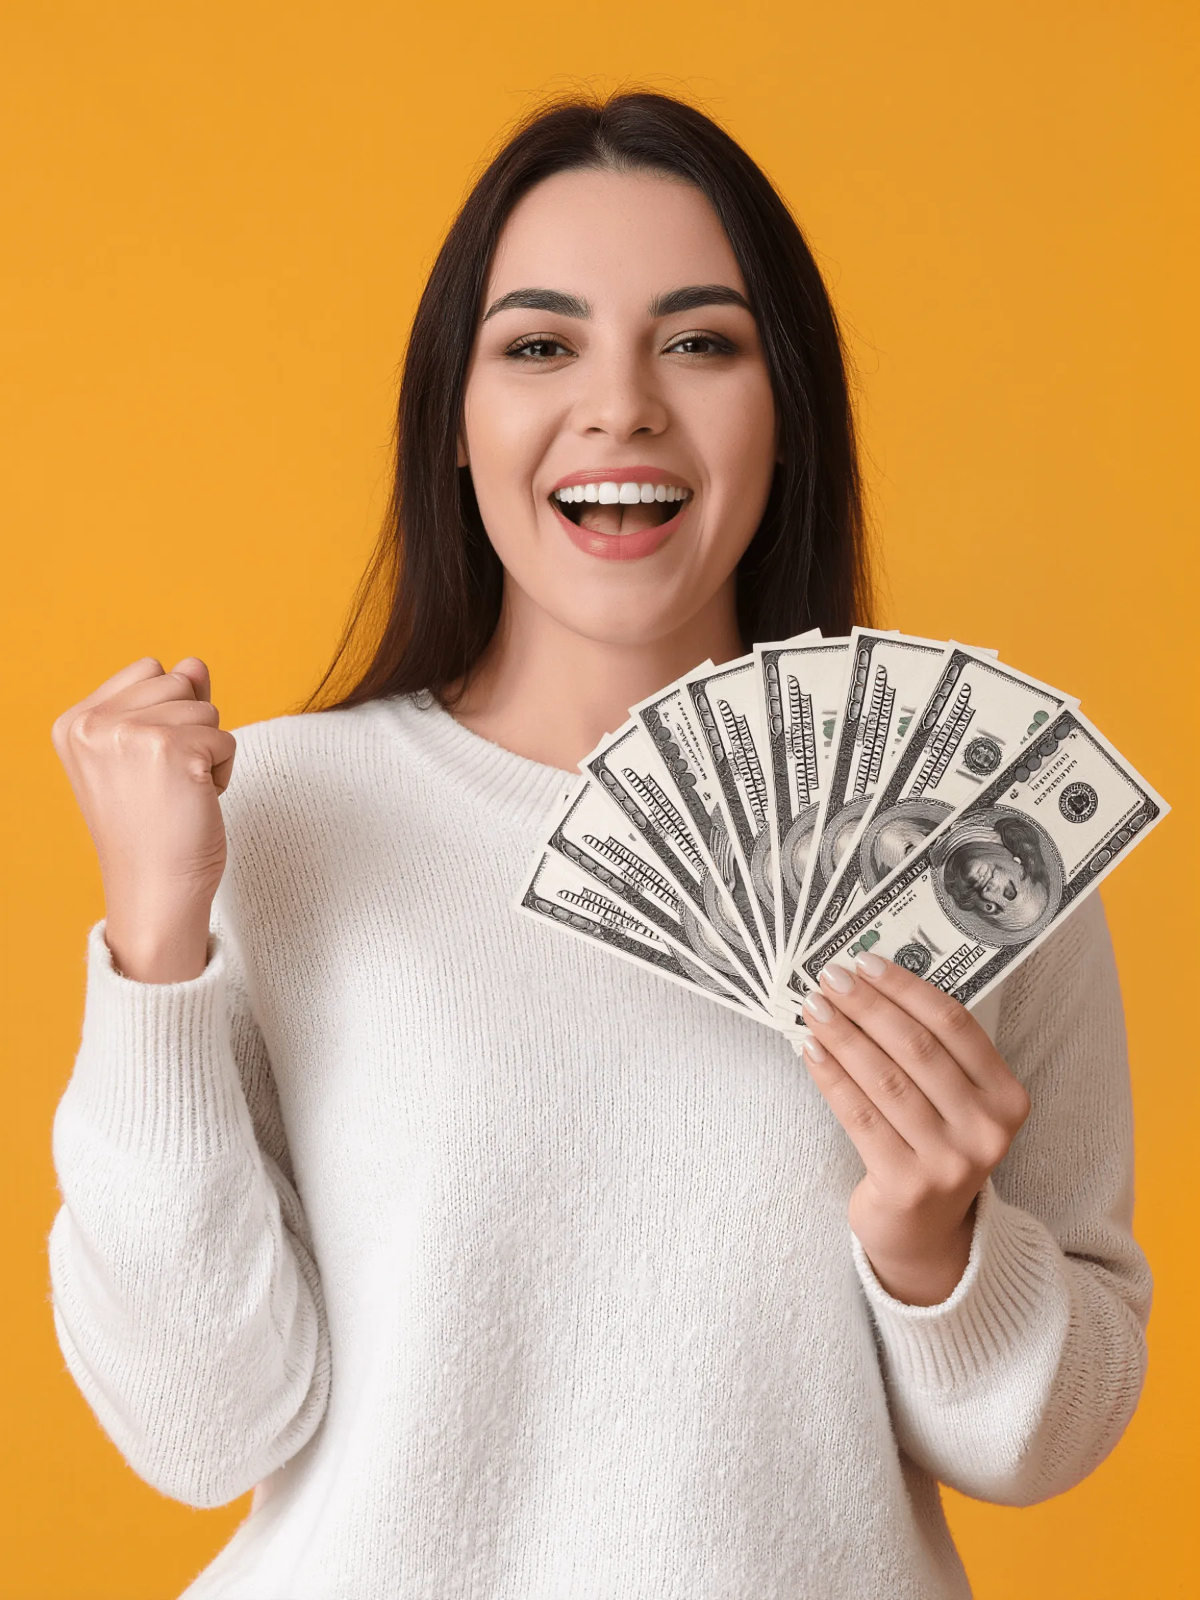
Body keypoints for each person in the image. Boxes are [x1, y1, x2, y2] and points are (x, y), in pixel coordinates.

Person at [47, 93, 1150, 1600]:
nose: (621, 406)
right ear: (456, 414)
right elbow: (196, 1428)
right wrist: (157, 955)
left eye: (700, 342)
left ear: (790, 410)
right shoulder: (274, 825)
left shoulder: (966, 840)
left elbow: (1051, 1436)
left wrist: (936, 1248)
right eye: (540, 345)